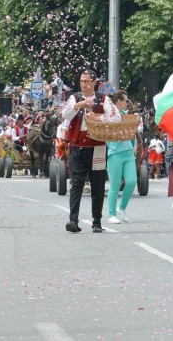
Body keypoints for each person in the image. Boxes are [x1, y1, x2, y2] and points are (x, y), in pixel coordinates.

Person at [62, 69, 121, 233]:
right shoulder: (75, 98)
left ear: (95, 83)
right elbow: (65, 115)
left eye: (87, 81)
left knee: (98, 185)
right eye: (82, 81)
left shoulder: (104, 99)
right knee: (76, 185)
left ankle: (96, 222)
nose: (84, 84)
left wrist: (99, 118)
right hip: (77, 147)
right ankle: (73, 220)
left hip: (98, 148)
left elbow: (117, 117)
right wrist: (76, 106)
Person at [106, 90, 138, 224]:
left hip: (129, 153)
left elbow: (132, 133)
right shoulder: (109, 116)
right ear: (119, 101)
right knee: (115, 184)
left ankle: (122, 208)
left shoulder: (127, 116)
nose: (127, 103)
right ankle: (111, 214)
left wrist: (134, 145)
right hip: (115, 154)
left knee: (131, 182)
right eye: (125, 100)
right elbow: (106, 135)